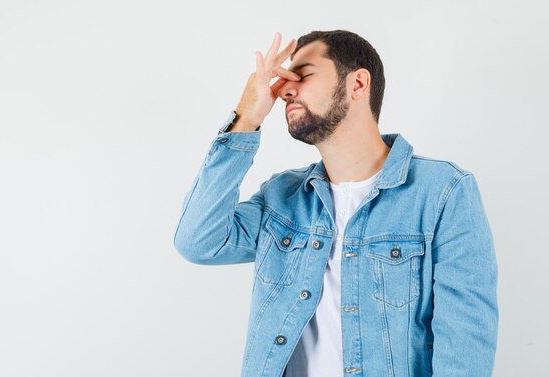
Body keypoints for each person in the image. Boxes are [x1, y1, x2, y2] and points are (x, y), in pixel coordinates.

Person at [173, 30, 499, 377]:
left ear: (358, 84)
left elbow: (465, 350)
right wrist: (246, 118)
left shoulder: (443, 193)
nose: (284, 90)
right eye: (284, 80)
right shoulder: (282, 197)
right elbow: (198, 241)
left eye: (303, 75)